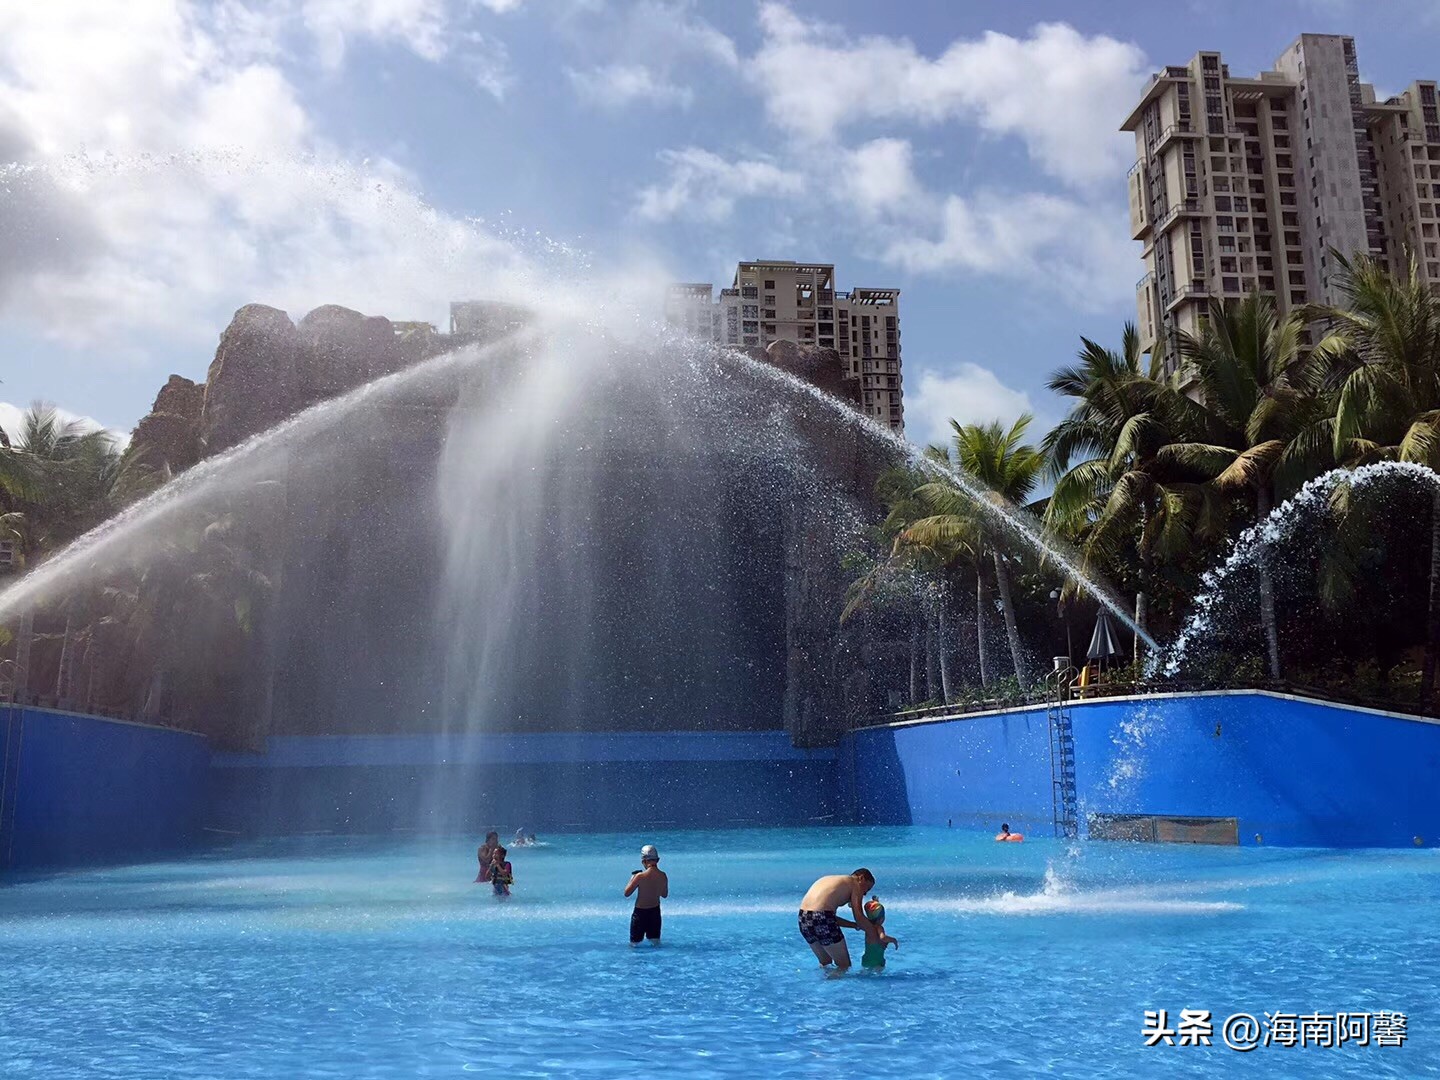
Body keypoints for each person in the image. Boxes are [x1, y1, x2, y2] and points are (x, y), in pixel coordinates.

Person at [797, 868, 877, 972]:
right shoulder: (854, 883)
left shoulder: (832, 880)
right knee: (844, 965)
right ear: (861, 878)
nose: (865, 893)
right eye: (867, 889)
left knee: (825, 962)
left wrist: (854, 925)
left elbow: (822, 918)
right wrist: (875, 932)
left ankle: (822, 986)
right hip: (822, 918)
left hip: (803, 919)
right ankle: (833, 986)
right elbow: (859, 917)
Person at [837, 896, 899, 970]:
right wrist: (893, 940)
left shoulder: (868, 927)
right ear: (881, 918)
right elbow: (883, 937)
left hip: (866, 960)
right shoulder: (879, 927)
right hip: (877, 961)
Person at [624, 844, 668, 946]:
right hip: (655, 913)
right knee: (655, 943)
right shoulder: (663, 875)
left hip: (640, 914)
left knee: (634, 944)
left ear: (644, 861)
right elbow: (664, 894)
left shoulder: (640, 876)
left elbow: (627, 893)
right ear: (657, 860)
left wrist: (632, 878)